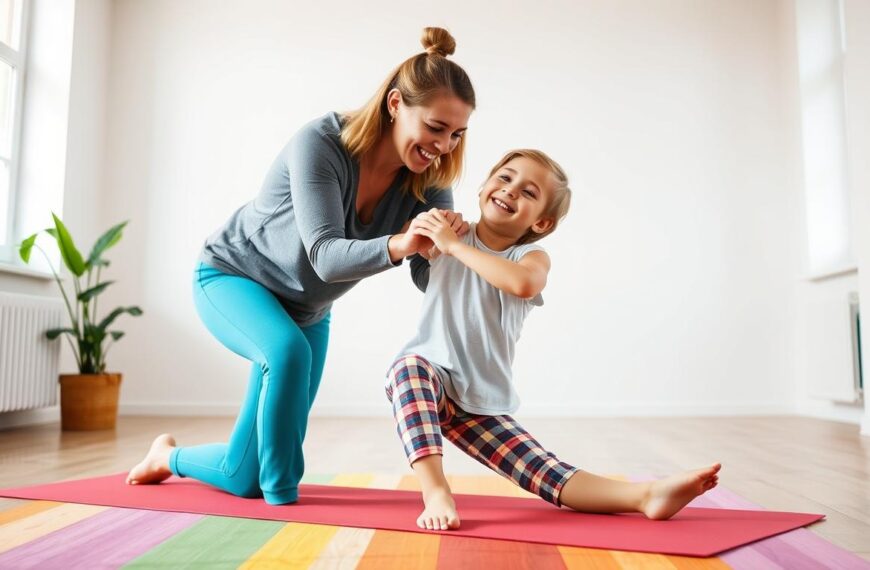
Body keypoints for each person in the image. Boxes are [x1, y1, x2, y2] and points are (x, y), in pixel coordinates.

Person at [126, 27, 475, 505]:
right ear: (396, 104)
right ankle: (284, 506)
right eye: (436, 128)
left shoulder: (430, 179)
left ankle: (168, 457)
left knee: (242, 474)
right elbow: (327, 256)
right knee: (289, 356)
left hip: (308, 309)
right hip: (233, 277)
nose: (444, 146)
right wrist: (402, 242)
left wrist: (451, 252)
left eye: (457, 134)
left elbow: (423, 274)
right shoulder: (322, 142)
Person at [386, 149, 722, 530]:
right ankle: (435, 491)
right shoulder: (451, 234)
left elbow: (523, 283)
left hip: (480, 399)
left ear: (542, 222)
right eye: (505, 177)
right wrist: (429, 230)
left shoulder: (529, 255)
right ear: (483, 186)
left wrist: (454, 247)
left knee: (544, 470)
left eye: (528, 193)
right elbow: (408, 235)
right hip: (432, 378)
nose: (511, 191)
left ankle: (645, 496)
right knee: (407, 369)